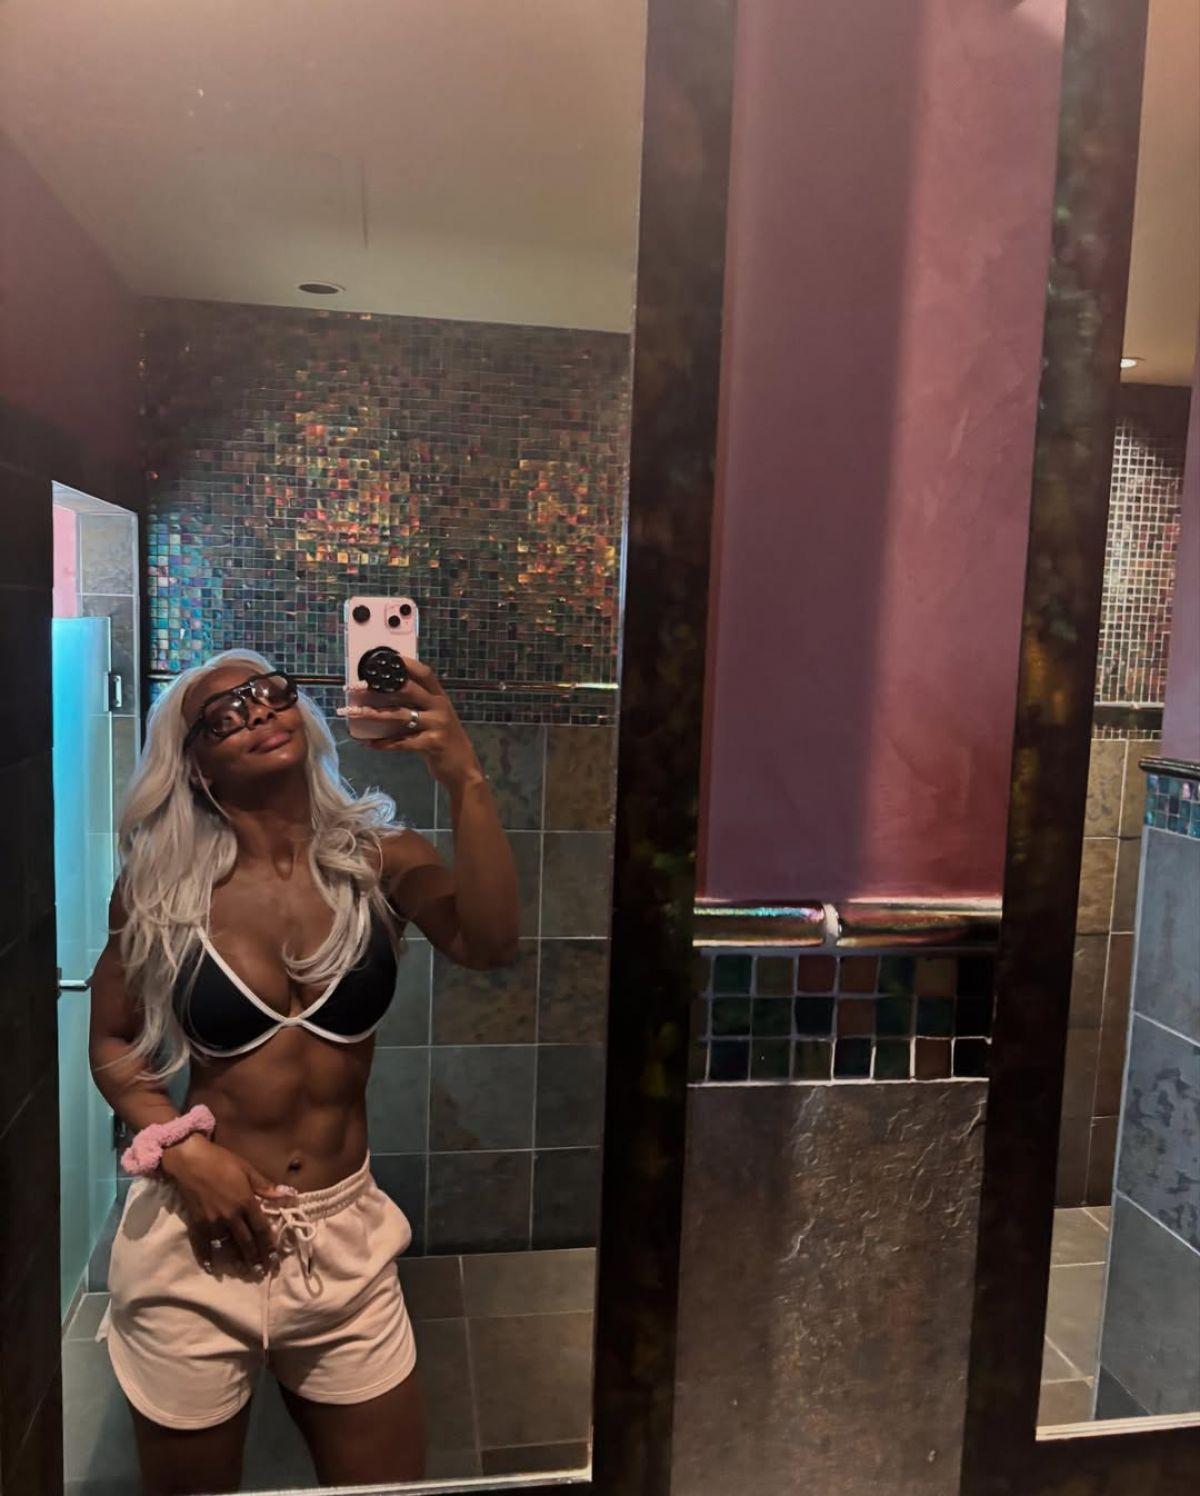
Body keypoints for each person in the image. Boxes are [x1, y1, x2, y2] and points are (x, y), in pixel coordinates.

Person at [88, 648, 519, 1495]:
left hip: (344, 1245)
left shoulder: (383, 859)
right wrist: (180, 1149)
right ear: (195, 765)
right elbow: (113, 1043)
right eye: (222, 715)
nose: (255, 709)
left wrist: (465, 777)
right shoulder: (161, 887)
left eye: (269, 691)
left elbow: (489, 942)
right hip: (197, 1241)